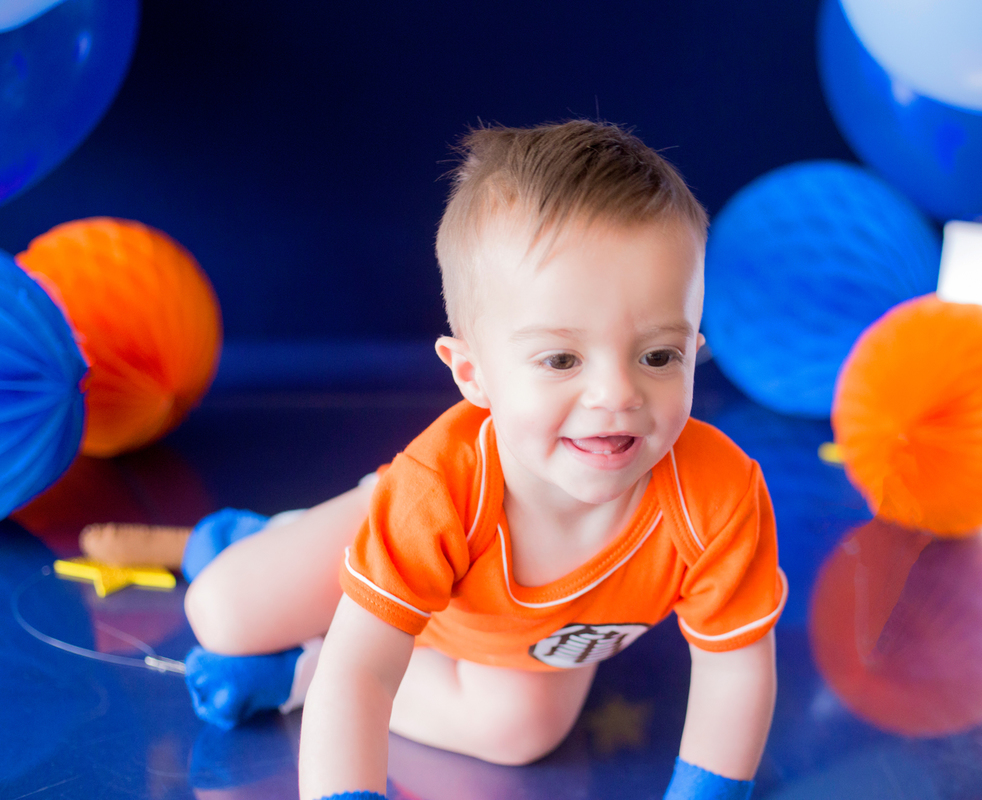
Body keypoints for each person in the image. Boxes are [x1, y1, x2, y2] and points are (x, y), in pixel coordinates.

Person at [182, 120, 786, 800]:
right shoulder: (438, 491)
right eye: (561, 359)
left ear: (693, 348)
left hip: (510, 634)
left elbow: (735, 667)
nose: (618, 394)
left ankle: (296, 674)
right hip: (409, 539)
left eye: (657, 355)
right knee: (222, 614)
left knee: (519, 733)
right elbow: (362, 673)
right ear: (472, 373)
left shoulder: (718, 497)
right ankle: (272, 536)